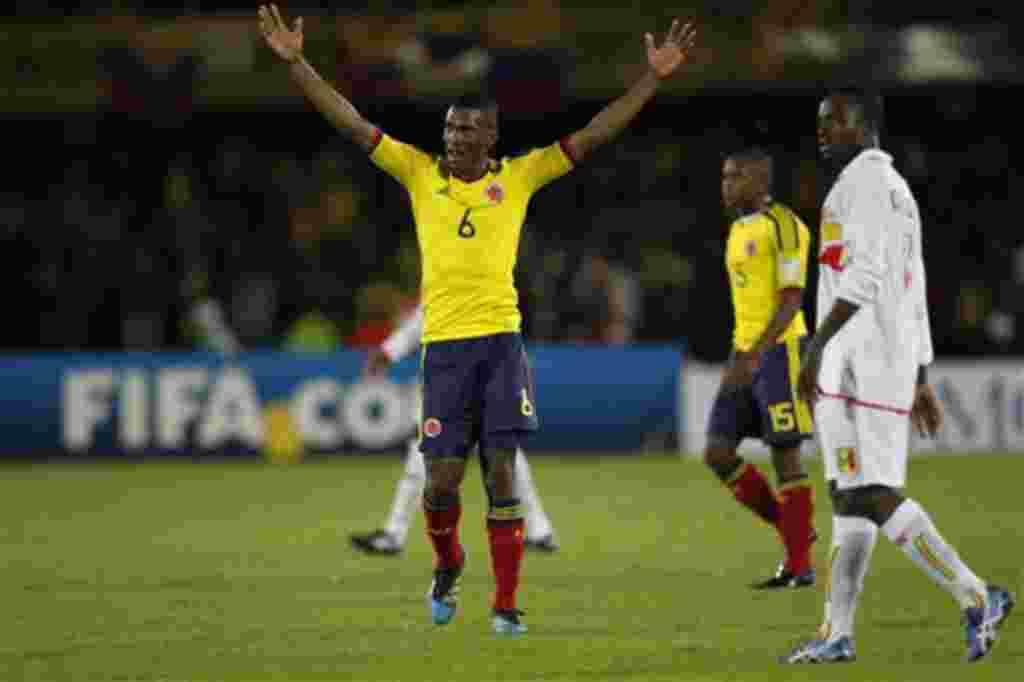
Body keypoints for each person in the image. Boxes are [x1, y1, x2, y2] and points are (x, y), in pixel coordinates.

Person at [257, 3, 696, 635]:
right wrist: (298, 64)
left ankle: (507, 602)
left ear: (490, 136)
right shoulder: (417, 173)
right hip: (445, 350)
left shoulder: (519, 177)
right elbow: (352, 124)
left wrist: (652, 79)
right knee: (439, 485)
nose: (455, 139)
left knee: (501, 473)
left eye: (468, 131)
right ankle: (448, 561)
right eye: (450, 129)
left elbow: (595, 135)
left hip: (500, 347)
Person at [783, 89, 1014, 664]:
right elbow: (913, 286)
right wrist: (922, 374)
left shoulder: (866, 187)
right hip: (873, 360)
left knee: (867, 491)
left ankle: (977, 595)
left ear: (867, 128)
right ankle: (837, 634)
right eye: (820, 123)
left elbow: (865, 277)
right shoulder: (885, 190)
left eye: (836, 122)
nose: (824, 131)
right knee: (847, 494)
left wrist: (815, 348)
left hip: (862, 361)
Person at [349, 303, 559, 556]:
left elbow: (422, 322)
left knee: (488, 454)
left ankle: (394, 534)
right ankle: (540, 528)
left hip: (467, 378)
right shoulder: (453, 280)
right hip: (460, 378)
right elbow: (421, 321)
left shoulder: (465, 280)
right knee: (499, 454)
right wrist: (388, 351)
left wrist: (388, 352)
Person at [704, 148, 817, 589]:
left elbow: (791, 301)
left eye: (735, 177)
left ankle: (799, 566)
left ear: (759, 181)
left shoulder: (785, 226)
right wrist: (740, 354)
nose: (726, 185)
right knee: (717, 452)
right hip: (745, 351)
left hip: (782, 350)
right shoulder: (737, 229)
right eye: (724, 176)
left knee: (784, 453)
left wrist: (757, 353)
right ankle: (795, 535)